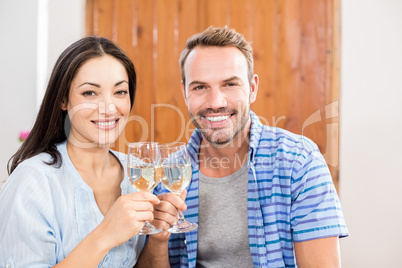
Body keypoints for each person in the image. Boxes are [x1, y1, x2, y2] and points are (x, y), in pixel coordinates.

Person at [153, 26, 349, 267]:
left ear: (252, 88)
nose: (216, 102)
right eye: (200, 87)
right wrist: (158, 239)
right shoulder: (167, 173)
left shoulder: (299, 161)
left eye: (230, 84)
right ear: (185, 93)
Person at [0, 36, 185, 267]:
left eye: (120, 92)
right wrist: (105, 235)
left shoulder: (137, 174)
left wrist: (158, 238)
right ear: (63, 99)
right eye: (90, 93)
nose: (109, 108)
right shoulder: (33, 181)